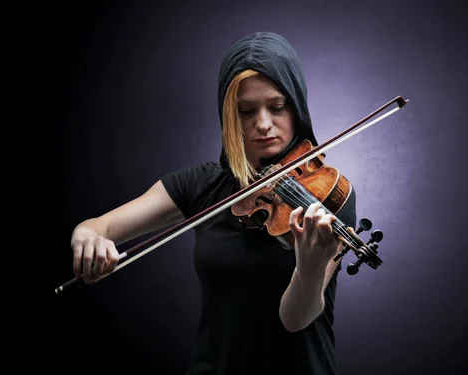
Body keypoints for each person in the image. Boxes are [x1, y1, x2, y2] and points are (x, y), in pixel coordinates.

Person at [70, 31, 357, 375]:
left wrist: (310, 269)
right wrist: (85, 237)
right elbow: (97, 227)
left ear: (296, 106)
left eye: (277, 107)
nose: (263, 124)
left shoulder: (326, 192)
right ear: (228, 117)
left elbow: (295, 319)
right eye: (246, 111)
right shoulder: (199, 185)